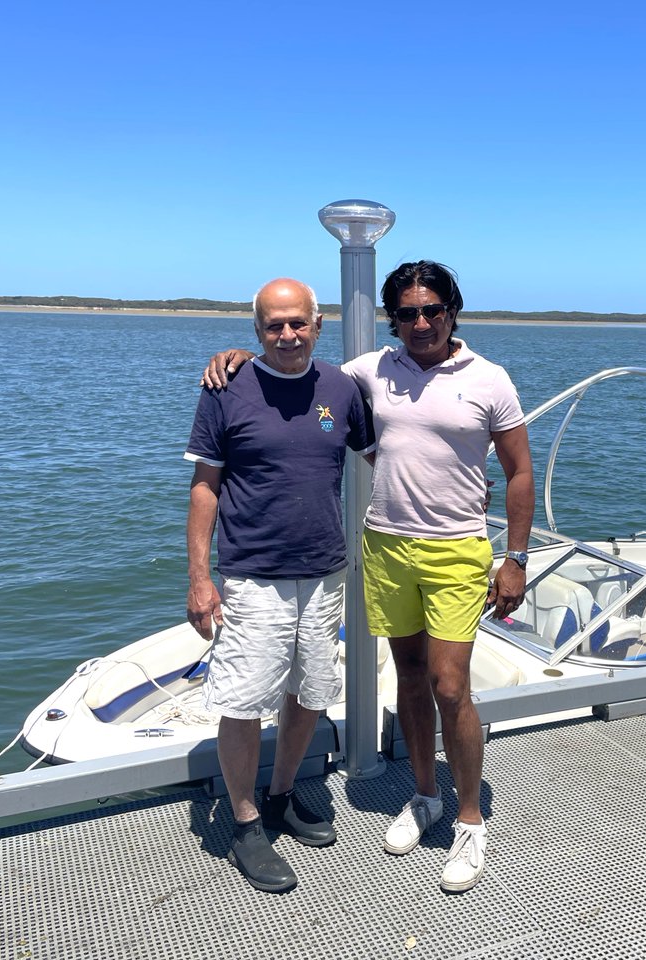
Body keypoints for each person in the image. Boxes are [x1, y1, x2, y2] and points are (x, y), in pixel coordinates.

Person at [203, 260, 534, 893]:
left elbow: (519, 470)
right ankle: (423, 794)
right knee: (409, 678)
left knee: (450, 685)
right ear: (392, 319)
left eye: (432, 310)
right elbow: (295, 364)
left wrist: (515, 557)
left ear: (453, 311)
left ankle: (470, 821)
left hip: (458, 549)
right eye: (406, 312)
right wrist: (237, 354)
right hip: (384, 546)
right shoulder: (369, 371)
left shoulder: (490, 379)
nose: (420, 322)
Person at [186, 277, 374, 894]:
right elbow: (205, 487)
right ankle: (244, 823)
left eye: (298, 323)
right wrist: (200, 577)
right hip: (251, 576)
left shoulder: (342, 388)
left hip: (324, 570)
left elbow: (385, 455)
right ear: (256, 330)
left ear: (318, 324)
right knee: (241, 702)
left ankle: (281, 795)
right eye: (274, 325)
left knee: (312, 691)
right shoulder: (225, 386)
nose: (287, 335)